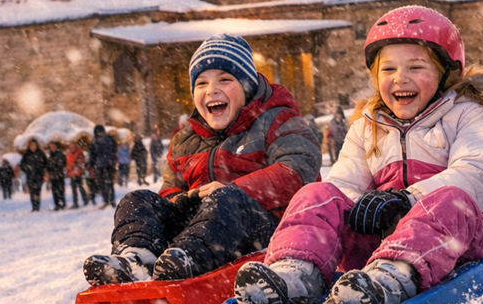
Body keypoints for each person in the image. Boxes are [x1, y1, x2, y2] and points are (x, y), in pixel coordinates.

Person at [234, 6, 483, 304]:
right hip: (385, 240)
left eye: (416, 67)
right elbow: (344, 186)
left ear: (446, 73)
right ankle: (296, 274)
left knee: (450, 199)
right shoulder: (366, 127)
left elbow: (478, 174)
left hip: (467, 237)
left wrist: (407, 200)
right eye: (389, 69)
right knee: (317, 194)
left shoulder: (470, 115)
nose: (401, 79)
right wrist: (366, 208)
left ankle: (392, 279)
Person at [83, 33, 320, 287]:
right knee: (138, 200)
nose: (212, 90)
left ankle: (187, 260)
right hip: (199, 230)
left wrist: (236, 190)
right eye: (201, 83)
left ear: (247, 86)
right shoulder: (185, 139)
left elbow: (297, 170)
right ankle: (138, 259)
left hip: (262, 229)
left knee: (227, 200)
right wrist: (185, 201)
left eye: (225, 79)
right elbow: (170, 190)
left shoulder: (278, 120)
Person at [89, 125, 118, 207]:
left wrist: (91, 163)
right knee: (109, 184)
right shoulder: (109, 139)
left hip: (101, 165)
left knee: (103, 184)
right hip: (108, 164)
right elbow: (114, 150)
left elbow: (92, 154)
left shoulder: (95, 141)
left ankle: (107, 200)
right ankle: (111, 200)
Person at [21, 139, 47, 212]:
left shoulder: (41, 154)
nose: (32, 147)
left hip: (39, 175)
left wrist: (41, 169)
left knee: (37, 190)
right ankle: (34, 206)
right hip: (30, 176)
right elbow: (22, 165)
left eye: (34, 145)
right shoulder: (26, 154)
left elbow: (45, 163)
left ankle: (37, 205)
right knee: (32, 191)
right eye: (31, 145)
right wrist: (27, 169)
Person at [68, 137, 90, 208]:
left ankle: (85, 200)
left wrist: (76, 165)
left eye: (73, 146)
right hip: (72, 174)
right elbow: (68, 165)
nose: (72, 148)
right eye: (71, 146)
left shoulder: (79, 153)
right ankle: (75, 203)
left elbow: (82, 163)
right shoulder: (69, 155)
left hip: (79, 173)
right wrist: (70, 168)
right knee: (74, 190)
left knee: (81, 188)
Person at [47, 141, 68, 210]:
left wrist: (56, 168)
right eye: (50, 146)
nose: (52, 147)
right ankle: (57, 204)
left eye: (53, 146)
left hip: (59, 175)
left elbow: (63, 164)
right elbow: (49, 166)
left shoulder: (60, 154)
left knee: (60, 190)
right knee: (54, 191)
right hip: (53, 176)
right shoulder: (50, 156)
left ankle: (62, 203)